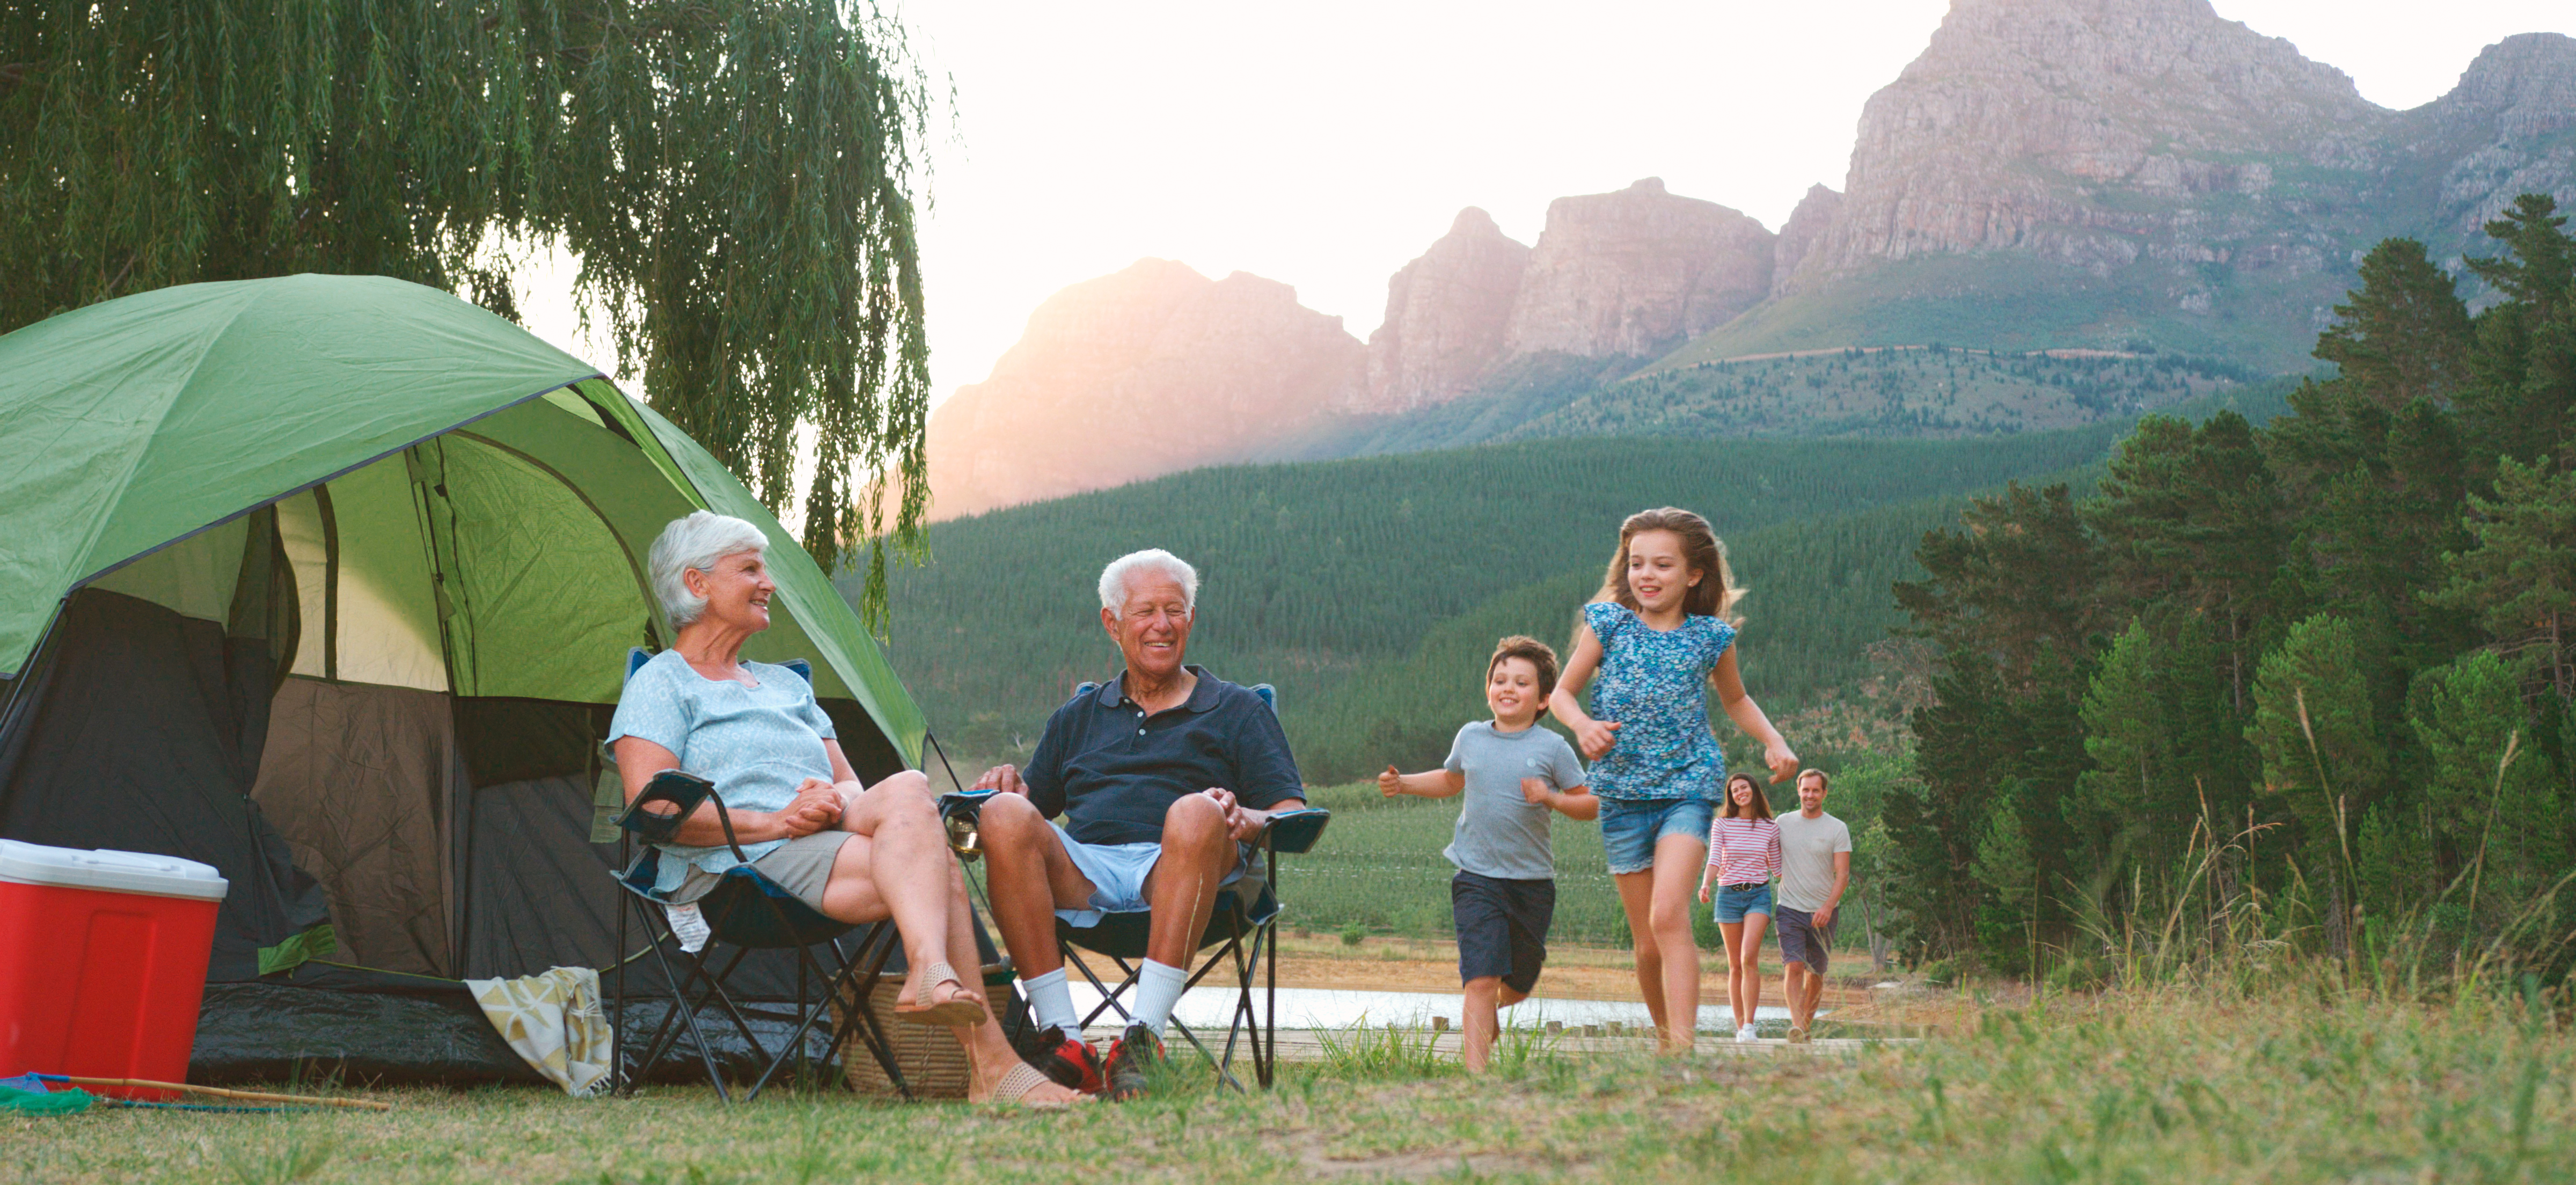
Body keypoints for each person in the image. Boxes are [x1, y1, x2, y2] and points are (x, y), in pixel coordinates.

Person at [608, 511, 1081, 1106]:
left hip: (825, 839)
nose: (769, 583)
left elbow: (853, 788)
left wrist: (831, 802)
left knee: (909, 784)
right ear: (697, 583)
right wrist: (778, 821)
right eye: (750, 569)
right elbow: (654, 808)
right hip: (739, 871)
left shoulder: (787, 686)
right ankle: (992, 1065)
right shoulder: (662, 683)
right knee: (938, 864)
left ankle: (933, 975)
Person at [970, 548, 1306, 1101]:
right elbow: (1034, 811)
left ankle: (1143, 1039)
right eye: (1145, 611)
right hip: (1088, 873)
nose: (1162, 625)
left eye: (1174, 610)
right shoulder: (1075, 719)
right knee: (1002, 813)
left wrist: (1246, 817)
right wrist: (1005, 788)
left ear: (1191, 619)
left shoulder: (1240, 710)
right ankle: (1063, 1042)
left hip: (1191, 873)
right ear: (1112, 623)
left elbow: (1293, 813)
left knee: (1195, 810)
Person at [1549, 507, 1798, 1055]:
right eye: (1637, 563)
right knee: (1646, 944)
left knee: (1668, 915)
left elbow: (1736, 699)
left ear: (1693, 574)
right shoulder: (1608, 624)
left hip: (1687, 789)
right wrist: (1584, 725)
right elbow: (1562, 694)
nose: (1647, 575)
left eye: (1662, 565)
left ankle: (1684, 1052)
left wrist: (1774, 740)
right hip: (1620, 797)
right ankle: (1666, 1043)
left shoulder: (1710, 637)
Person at [1378, 635, 1596, 1073]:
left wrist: (1550, 797)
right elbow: (1451, 779)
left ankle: (1493, 1008)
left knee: (1518, 984)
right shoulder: (1471, 736)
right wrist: (1404, 784)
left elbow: (1589, 805)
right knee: (1480, 977)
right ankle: (1475, 1078)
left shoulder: (1553, 748)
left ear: (1544, 699)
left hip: (1532, 883)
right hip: (1475, 876)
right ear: (1488, 689)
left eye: (1521, 682)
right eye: (1500, 680)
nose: (1508, 688)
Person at [1697, 772, 1780, 1044]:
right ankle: (1740, 1027)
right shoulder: (1722, 824)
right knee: (1735, 965)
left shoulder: (1770, 827)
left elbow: (1778, 867)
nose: (1740, 793)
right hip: (1728, 896)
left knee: (1748, 958)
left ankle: (1750, 1025)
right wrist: (1706, 884)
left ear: (1754, 790)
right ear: (1731, 797)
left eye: (1744, 788)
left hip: (1758, 895)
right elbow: (1714, 859)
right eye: (1735, 791)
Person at [1776, 768, 1851, 1044]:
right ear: (1798, 791)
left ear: (1824, 793)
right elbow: (1762, 847)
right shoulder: (1782, 822)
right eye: (1805, 789)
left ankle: (1806, 1027)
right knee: (1794, 966)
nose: (1810, 795)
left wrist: (1828, 908)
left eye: (1815, 790)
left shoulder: (1837, 828)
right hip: (1789, 908)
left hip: (1824, 911)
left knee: (1816, 973)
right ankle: (1797, 1026)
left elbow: (1843, 874)